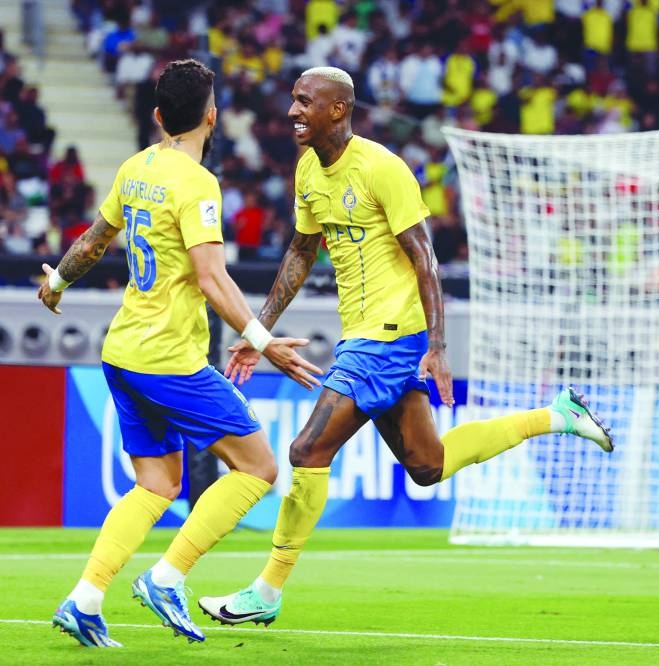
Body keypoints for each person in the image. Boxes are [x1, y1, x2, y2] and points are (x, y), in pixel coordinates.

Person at [197, 66, 614, 626]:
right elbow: (300, 252)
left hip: (387, 339)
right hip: (367, 337)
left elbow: (425, 256)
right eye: (293, 100)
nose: (293, 111)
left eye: (304, 101)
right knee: (427, 465)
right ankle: (556, 416)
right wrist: (259, 332)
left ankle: (267, 592)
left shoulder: (381, 168)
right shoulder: (308, 172)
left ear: (338, 110)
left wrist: (437, 344)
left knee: (306, 452)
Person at [40, 59, 323, 648]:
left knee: (156, 484)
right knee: (259, 468)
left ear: (159, 116)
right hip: (169, 358)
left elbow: (94, 241)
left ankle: (85, 600)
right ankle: (167, 577)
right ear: (213, 116)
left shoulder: (136, 167)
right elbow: (213, 277)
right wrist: (266, 343)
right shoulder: (197, 184)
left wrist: (58, 284)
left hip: (122, 352)